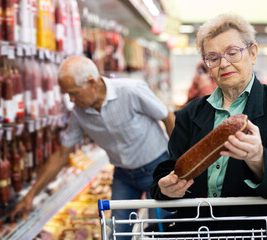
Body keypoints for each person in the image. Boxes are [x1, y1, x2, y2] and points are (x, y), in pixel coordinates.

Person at [150, 13, 267, 239]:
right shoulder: (188, 114)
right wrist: (165, 189)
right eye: (213, 58)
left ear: (252, 53)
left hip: (257, 233)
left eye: (232, 53)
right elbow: (170, 171)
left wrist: (258, 159)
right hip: (196, 233)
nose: (223, 63)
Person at [10, 56, 176, 237]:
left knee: (158, 230)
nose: (71, 100)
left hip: (157, 169)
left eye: (74, 93)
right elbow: (61, 155)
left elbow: (167, 117)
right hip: (123, 176)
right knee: (117, 233)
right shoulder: (79, 114)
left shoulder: (131, 91)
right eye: (67, 94)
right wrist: (31, 195)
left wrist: (177, 162)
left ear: (91, 82)